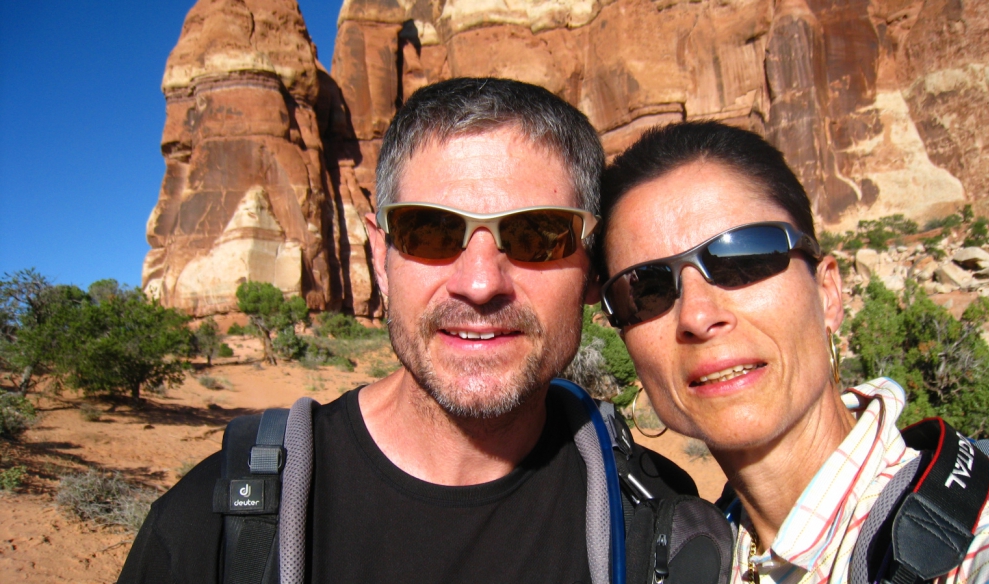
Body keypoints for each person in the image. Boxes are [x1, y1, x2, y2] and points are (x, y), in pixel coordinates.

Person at [117, 77, 699, 584]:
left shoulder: (657, 522)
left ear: (592, 269)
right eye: (429, 231)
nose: (479, 283)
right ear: (379, 256)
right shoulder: (216, 525)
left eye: (538, 235)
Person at [593, 121, 989, 584]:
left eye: (741, 260)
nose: (697, 317)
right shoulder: (691, 552)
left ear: (828, 293)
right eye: (645, 290)